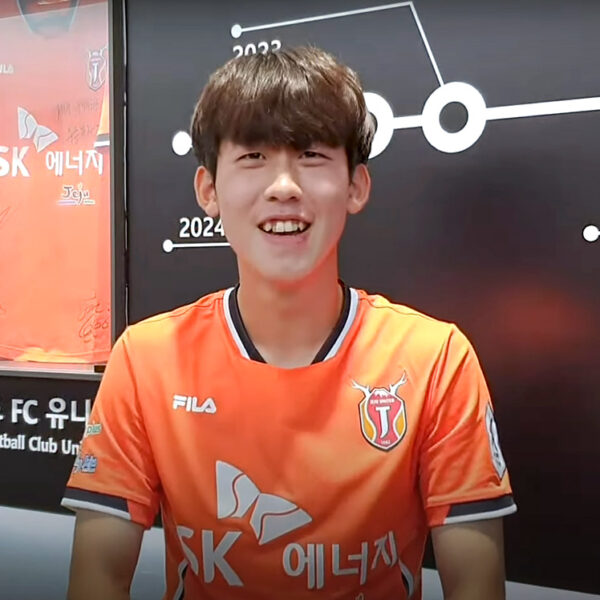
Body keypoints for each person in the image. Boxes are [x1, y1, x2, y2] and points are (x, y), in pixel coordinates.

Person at [62, 46, 516, 599]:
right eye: (253, 156)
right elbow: (99, 578)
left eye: (311, 154)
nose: (284, 185)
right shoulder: (146, 359)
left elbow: (476, 587)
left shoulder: (436, 359)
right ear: (208, 190)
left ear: (356, 186)